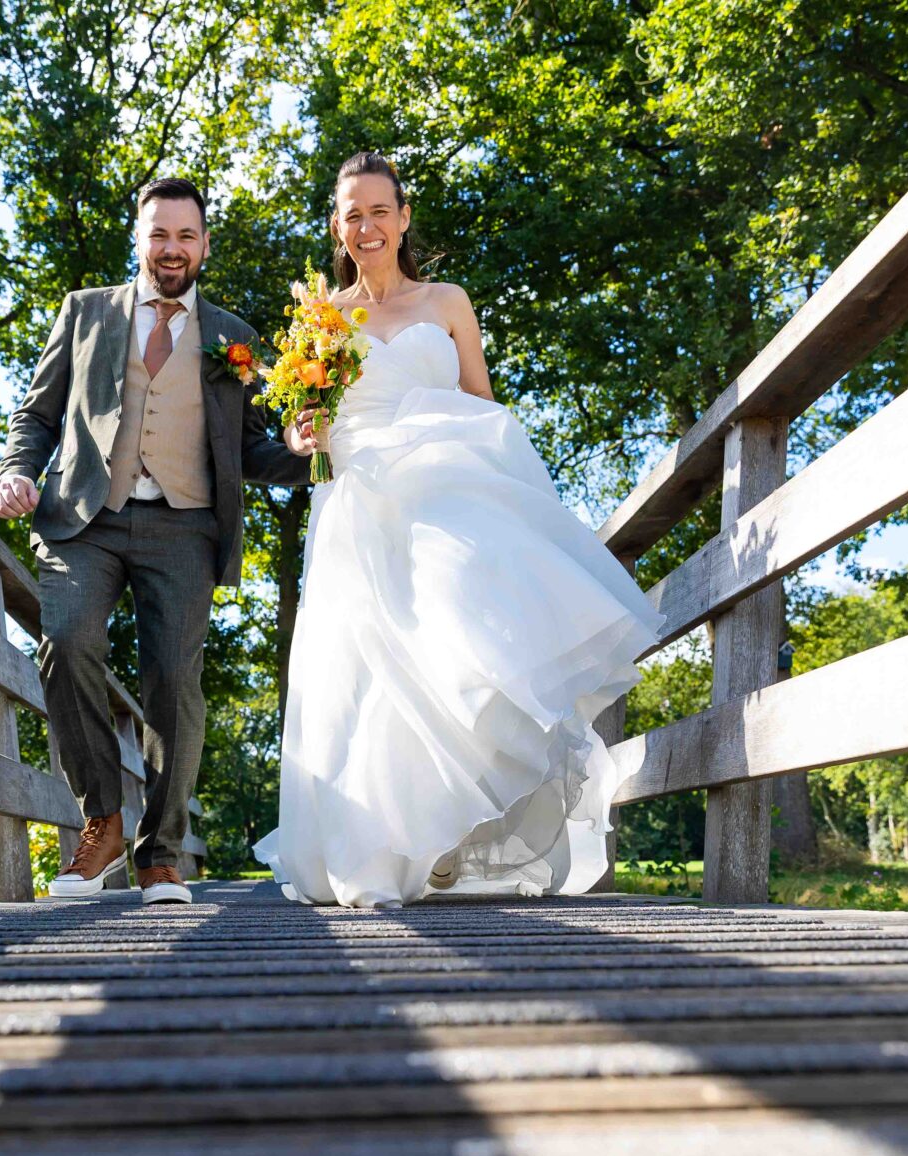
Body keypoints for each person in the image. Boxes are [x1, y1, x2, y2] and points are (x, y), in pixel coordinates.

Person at [255, 152, 663, 908]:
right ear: (337, 227)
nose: (366, 226)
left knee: (460, 646)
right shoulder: (323, 317)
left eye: (380, 210)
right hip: (358, 502)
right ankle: (381, 854)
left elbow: (482, 401)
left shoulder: (448, 301)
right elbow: (298, 422)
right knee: (368, 676)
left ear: (403, 219)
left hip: (446, 490)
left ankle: (455, 832)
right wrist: (301, 437)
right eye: (352, 213)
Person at [0, 177, 310, 905]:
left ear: (204, 244)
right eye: (159, 234)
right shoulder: (85, 313)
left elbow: (249, 449)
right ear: (139, 239)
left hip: (184, 525)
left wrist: (299, 451)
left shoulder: (235, 337)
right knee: (68, 641)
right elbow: (36, 414)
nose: (172, 249)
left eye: (186, 235)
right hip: (84, 518)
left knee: (174, 682)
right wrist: (16, 471)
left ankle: (160, 854)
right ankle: (100, 823)